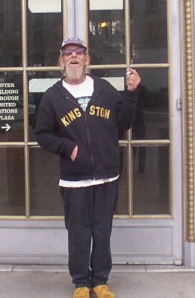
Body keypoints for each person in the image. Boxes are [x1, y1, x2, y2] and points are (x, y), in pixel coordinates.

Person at [35, 38, 141, 298]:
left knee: (102, 230)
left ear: (87, 59)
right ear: (61, 62)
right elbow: (43, 135)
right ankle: (81, 282)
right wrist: (69, 148)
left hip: (106, 176)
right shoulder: (52, 96)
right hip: (74, 180)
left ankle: (100, 281)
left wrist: (131, 92)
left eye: (78, 52)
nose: (74, 57)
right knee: (78, 233)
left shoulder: (104, 89)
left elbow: (124, 123)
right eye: (68, 53)